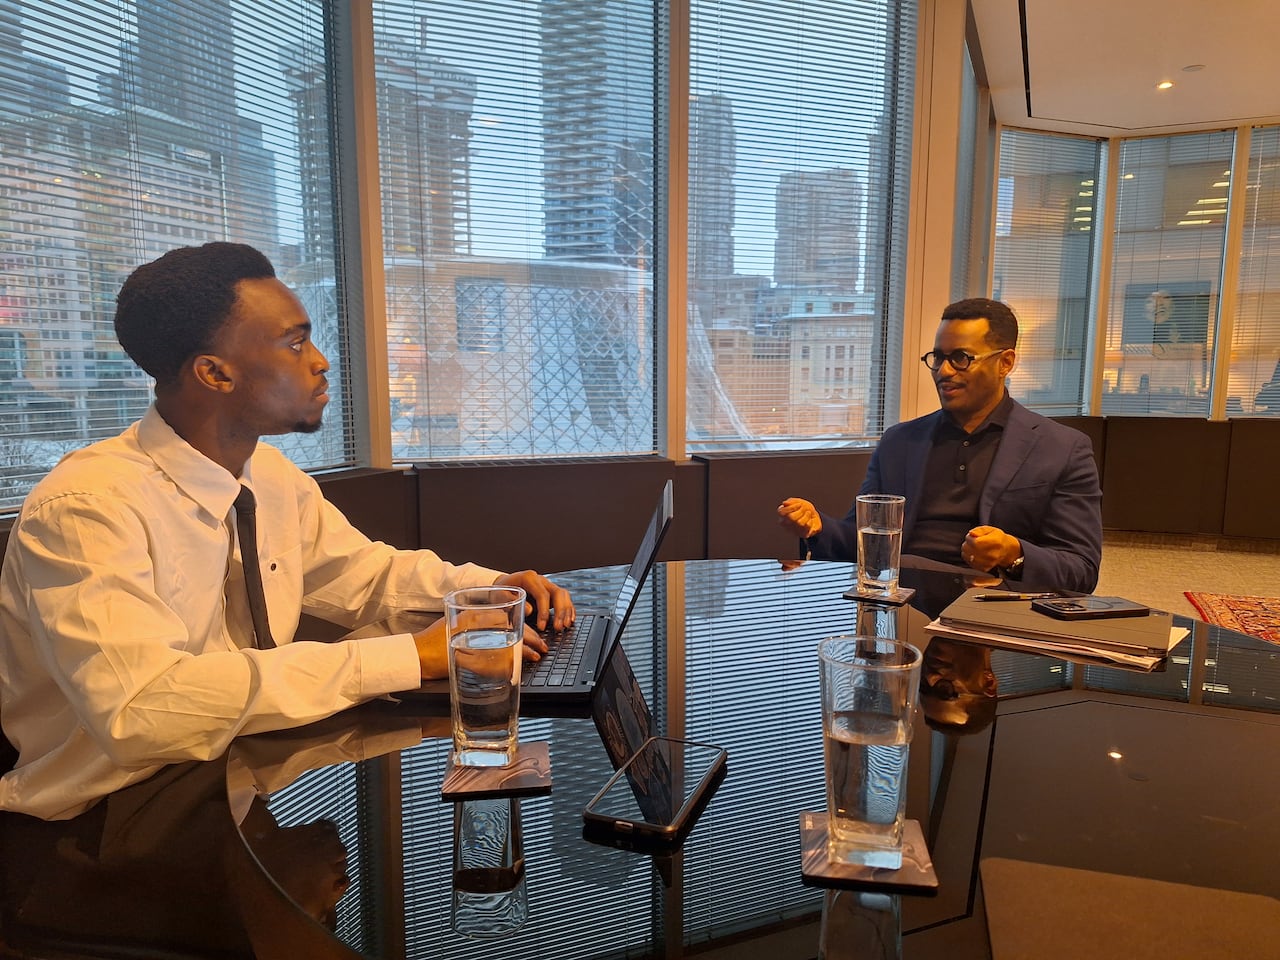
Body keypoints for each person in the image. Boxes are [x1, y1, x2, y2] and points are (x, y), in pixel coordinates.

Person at [0, 242, 575, 821]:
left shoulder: (266, 473)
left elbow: (360, 573)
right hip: (109, 820)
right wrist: (406, 657)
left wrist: (487, 593)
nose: (320, 361)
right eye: (294, 343)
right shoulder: (86, 509)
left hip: (238, 779)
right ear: (214, 372)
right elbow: (141, 713)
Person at [777, 298, 1102, 593]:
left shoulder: (1062, 448)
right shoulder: (900, 441)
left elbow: (1081, 570)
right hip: (902, 603)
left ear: (1005, 362)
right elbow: (861, 542)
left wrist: (1012, 553)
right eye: (938, 358)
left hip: (989, 614)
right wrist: (819, 526)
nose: (944, 372)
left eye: (961, 358)